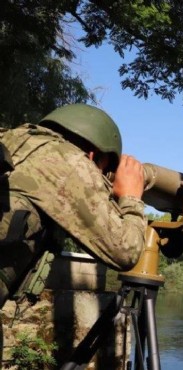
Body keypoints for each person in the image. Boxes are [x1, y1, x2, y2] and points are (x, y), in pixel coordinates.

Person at [0, 103, 147, 309]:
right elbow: (125, 251)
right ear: (93, 156)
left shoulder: (11, 137)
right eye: (103, 171)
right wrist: (131, 197)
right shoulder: (72, 162)